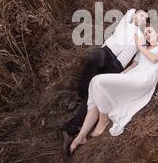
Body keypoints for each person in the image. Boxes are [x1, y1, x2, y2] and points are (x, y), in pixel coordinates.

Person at [69, 27, 158, 154]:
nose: (148, 35)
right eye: (146, 33)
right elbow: (133, 66)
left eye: (150, 31)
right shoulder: (141, 51)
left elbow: (155, 58)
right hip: (131, 76)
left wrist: (141, 46)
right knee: (95, 83)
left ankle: (103, 118)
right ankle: (81, 136)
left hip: (144, 78)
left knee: (97, 81)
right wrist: (118, 77)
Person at [60, 8, 148, 155]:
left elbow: (140, 58)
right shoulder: (125, 23)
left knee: (95, 94)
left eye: (146, 18)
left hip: (117, 65)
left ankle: (73, 127)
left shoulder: (142, 37)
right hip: (106, 52)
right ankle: (80, 93)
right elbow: (129, 12)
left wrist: (128, 72)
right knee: (93, 58)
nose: (144, 19)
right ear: (135, 15)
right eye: (141, 15)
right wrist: (133, 12)